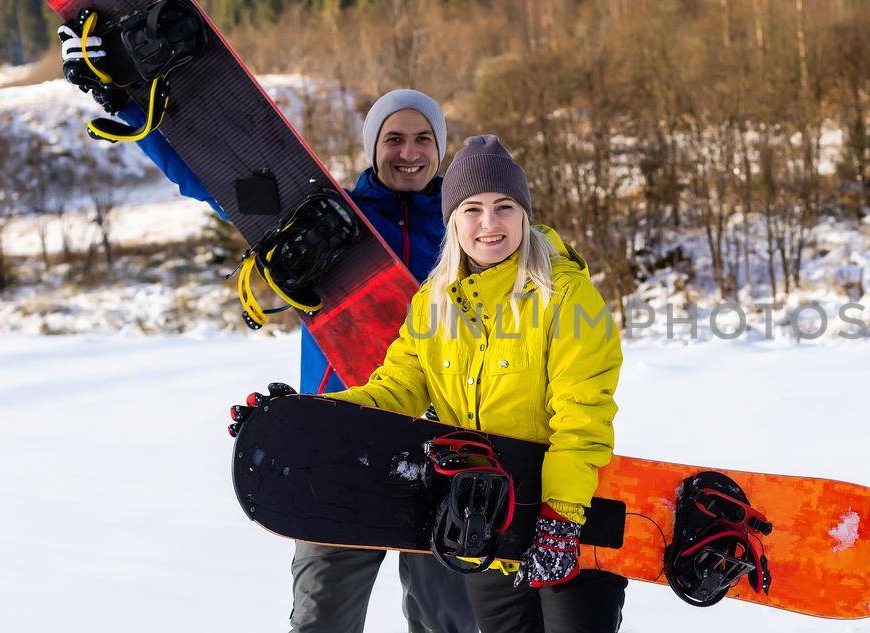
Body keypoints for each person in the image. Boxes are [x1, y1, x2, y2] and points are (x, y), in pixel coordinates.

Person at [55, 16, 478, 633]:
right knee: (321, 621)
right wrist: (122, 101)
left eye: (421, 140)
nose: (408, 153)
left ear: (439, 150)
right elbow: (208, 177)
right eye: (394, 139)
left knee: (453, 626)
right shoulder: (331, 217)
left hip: (445, 448)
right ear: (374, 147)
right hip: (345, 437)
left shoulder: (475, 235)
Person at [326, 134, 627, 633]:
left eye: (503, 206)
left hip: (570, 519)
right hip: (485, 523)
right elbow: (393, 391)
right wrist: (311, 414)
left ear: (524, 215)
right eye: (473, 209)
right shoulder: (433, 305)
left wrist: (562, 519)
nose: (489, 224)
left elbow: (582, 416)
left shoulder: (567, 297)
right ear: (453, 221)